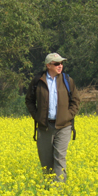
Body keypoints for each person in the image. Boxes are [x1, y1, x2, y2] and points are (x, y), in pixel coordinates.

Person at [25, 53, 80, 183]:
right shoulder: (38, 81)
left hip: (63, 126)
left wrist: (68, 116)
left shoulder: (67, 80)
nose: (60, 66)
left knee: (59, 158)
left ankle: (58, 191)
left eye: (61, 63)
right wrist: (37, 117)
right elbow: (29, 100)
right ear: (48, 65)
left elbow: (76, 101)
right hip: (44, 127)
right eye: (56, 64)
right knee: (46, 161)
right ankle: (48, 190)